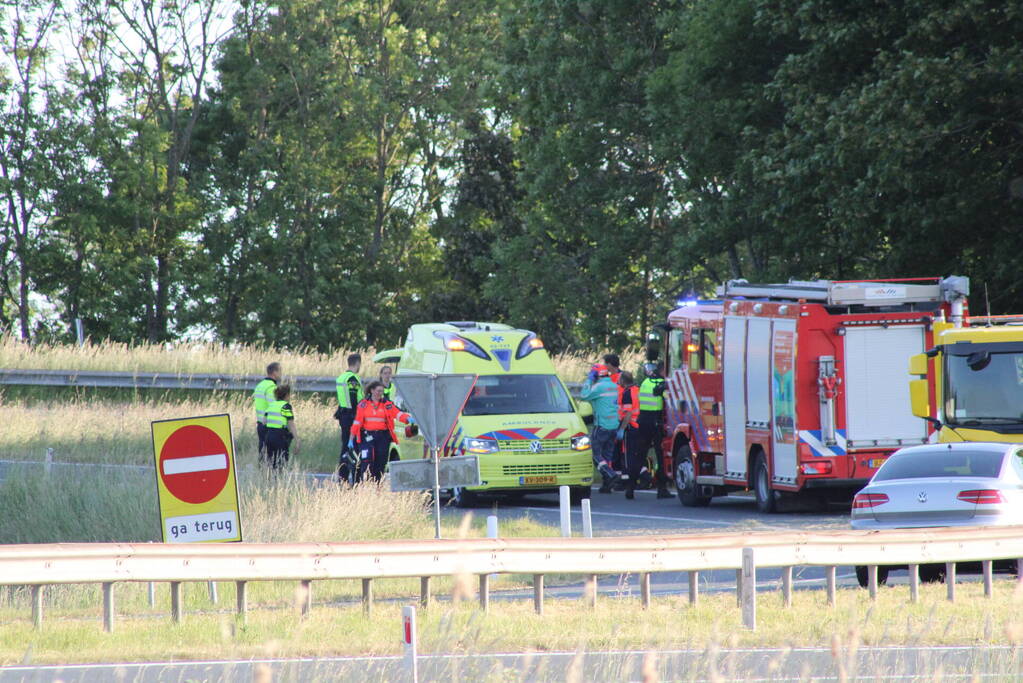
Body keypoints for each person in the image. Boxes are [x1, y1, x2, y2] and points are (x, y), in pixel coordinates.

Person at [349, 381, 414, 481]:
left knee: (381, 462)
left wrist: (407, 418)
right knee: (367, 461)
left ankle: (377, 484)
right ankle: (365, 484)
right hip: (367, 437)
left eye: (382, 391)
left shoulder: (386, 404)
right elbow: (357, 423)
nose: (380, 393)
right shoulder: (363, 405)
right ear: (372, 391)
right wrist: (351, 439)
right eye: (378, 391)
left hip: (382, 437)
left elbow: (397, 414)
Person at [579, 364, 623, 493]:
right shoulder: (614, 385)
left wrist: (589, 380)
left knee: (595, 454)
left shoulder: (598, 387)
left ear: (596, 375)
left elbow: (584, 395)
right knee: (607, 456)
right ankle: (607, 485)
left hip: (602, 425)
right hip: (614, 425)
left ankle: (610, 474)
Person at [636, 362, 672, 498]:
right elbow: (669, 400)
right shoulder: (661, 383)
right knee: (660, 455)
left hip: (643, 420)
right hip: (656, 422)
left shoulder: (645, 382)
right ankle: (662, 489)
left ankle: (630, 487)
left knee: (640, 454)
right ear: (663, 370)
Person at [335, 353, 364, 483]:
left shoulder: (341, 377)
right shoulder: (352, 378)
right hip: (352, 417)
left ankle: (343, 476)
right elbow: (354, 399)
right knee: (353, 448)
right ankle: (352, 477)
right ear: (357, 363)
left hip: (343, 415)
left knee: (345, 447)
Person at [617, 371, 642, 500]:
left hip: (630, 427)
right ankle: (638, 480)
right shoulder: (637, 390)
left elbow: (627, 413)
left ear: (623, 381)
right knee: (637, 456)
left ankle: (630, 486)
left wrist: (621, 429)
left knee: (628, 458)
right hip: (639, 426)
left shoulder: (627, 393)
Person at [264, 384, 300, 471]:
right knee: (281, 463)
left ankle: (270, 482)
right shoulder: (286, 406)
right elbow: (291, 424)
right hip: (280, 437)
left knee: (271, 463)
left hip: (269, 436)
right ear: (287, 395)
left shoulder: (271, 405)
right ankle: (278, 482)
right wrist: (297, 440)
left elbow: (264, 421)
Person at [252, 362, 281, 465]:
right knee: (272, 456)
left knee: (262, 451)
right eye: (279, 371)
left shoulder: (260, 386)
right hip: (270, 425)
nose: (281, 374)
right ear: (274, 372)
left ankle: (262, 475)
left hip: (260, 423)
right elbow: (273, 407)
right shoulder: (271, 388)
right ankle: (270, 477)